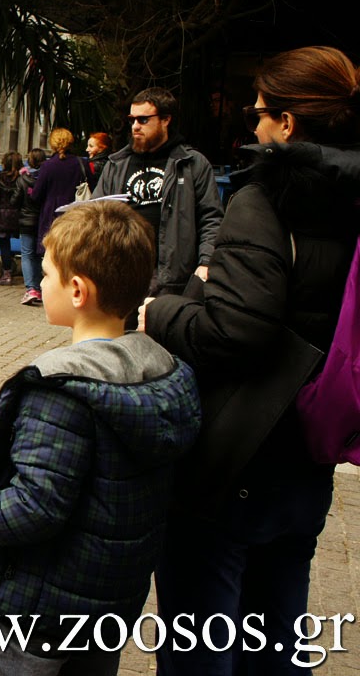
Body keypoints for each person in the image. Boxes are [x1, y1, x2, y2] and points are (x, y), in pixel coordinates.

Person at [0, 201, 200, 675]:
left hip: (38, 614)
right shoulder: (160, 372)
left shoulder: (60, 389)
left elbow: (32, 507)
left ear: (77, 291)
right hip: (107, 605)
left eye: (49, 273)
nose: (40, 283)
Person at [140, 46, 360, 673]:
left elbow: (236, 332)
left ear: (287, 124)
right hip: (312, 450)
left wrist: (162, 310)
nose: (253, 125)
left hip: (236, 455)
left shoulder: (264, 201)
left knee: (201, 640)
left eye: (259, 113)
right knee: (280, 632)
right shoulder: (351, 201)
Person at [92, 87, 222, 296]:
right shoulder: (117, 164)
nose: (135, 126)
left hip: (172, 280)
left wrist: (206, 262)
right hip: (121, 277)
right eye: (132, 119)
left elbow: (211, 218)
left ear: (165, 120)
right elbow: (94, 215)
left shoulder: (192, 164)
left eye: (143, 120)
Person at [29, 127, 87, 244]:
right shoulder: (82, 163)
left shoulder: (47, 166)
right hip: (76, 215)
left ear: (53, 144)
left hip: (52, 216)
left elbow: (36, 195)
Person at [12, 148, 46, 306]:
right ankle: (40, 287)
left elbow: (15, 200)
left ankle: (31, 289)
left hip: (26, 220)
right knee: (39, 254)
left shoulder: (23, 179)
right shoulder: (46, 177)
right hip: (42, 220)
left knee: (26, 254)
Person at [0, 150, 22, 286]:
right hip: (19, 216)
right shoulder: (22, 179)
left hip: (1, 217)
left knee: (4, 246)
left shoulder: (0, 180)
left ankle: (6, 272)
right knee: (25, 245)